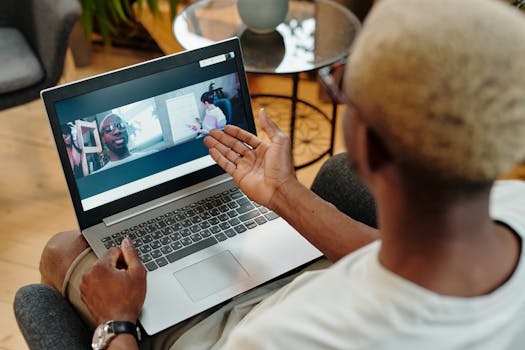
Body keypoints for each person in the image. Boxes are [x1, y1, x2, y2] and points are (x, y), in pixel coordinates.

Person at [39, 0, 525, 348]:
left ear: (369, 144)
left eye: (340, 90)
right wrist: (283, 193)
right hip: (314, 276)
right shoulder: (513, 206)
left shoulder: (282, 337)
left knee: (62, 249)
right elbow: (393, 262)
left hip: (230, 327)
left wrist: (117, 324)